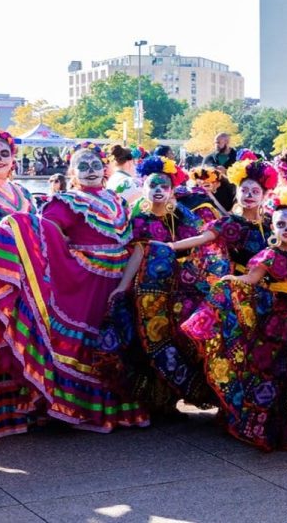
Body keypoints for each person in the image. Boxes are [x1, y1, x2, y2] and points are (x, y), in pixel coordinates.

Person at [0, 141, 149, 433]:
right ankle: (81, 409)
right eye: (83, 166)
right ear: (71, 172)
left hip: (120, 278)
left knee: (117, 339)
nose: (90, 170)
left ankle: (119, 406)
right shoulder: (66, 201)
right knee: (86, 343)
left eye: (95, 165)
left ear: (106, 169)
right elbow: (45, 235)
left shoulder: (117, 200)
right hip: (84, 281)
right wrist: (14, 231)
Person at [182, 187, 287, 450]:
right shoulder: (269, 254)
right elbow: (251, 279)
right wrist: (230, 280)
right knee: (275, 370)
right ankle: (275, 429)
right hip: (279, 319)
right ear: (273, 227)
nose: (286, 229)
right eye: (280, 224)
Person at [97, 156, 223, 415]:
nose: (158, 190)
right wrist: (123, 286)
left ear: (172, 190)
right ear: (143, 187)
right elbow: (138, 253)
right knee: (149, 341)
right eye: (153, 185)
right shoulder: (139, 219)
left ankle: (188, 392)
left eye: (163, 186)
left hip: (184, 288)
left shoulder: (182, 214)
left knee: (183, 340)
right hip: (149, 290)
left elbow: (204, 239)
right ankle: (158, 401)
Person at [0, 129, 39, 437]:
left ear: (13, 158)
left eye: (4, 153)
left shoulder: (24, 193)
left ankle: (21, 409)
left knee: (20, 331)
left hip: (24, 275)